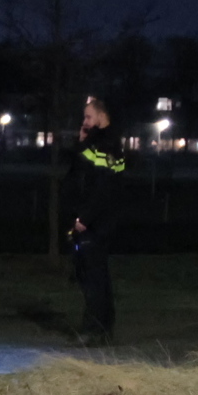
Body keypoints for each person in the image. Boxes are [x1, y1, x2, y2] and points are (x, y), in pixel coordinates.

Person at [66, 96, 125, 345]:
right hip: (95, 219)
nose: (85, 121)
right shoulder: (99, 142)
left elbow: (101, 186)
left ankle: (94, 328)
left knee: (93, 277)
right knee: (94, 275)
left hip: (95, 222)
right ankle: (102, 327)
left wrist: (85, 219)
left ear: (102, 116)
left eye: (89, 117)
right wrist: (82, 141)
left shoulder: (106, 144)